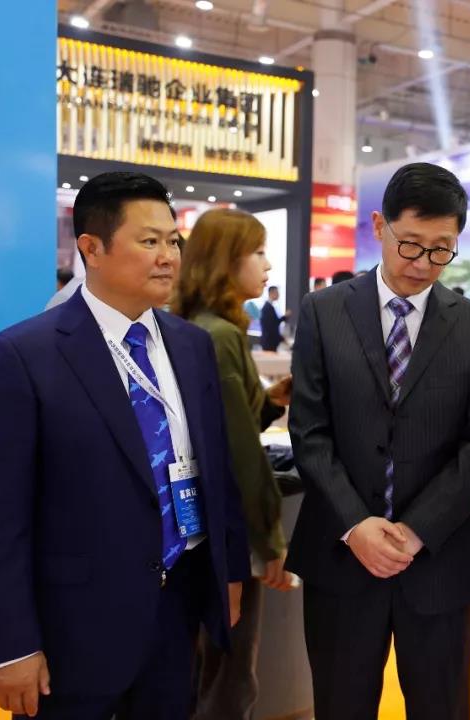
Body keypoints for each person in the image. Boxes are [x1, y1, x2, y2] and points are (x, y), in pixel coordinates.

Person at [0, 172, 249, 719]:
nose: (167, 257)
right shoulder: (22, 356)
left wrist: (228, 574)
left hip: (177, 608)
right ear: (91, 248)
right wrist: (11, 645)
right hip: (72, 625)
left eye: (173, 241)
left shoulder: (191, 346)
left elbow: (216, 469)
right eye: (149, 241)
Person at [287, 162, 470, 720]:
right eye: (410, 244)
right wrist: (355, 525)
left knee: (441, 706)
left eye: (441, 250)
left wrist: (416, 531)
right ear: (378, 226)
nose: (423, 263)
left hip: (440, 562)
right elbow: (310, 432)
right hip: (341, 557)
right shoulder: (323, 311)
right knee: (340, 705)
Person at [171, 209, 296, 719]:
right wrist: (270, 541)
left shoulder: (194, 327)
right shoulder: (219, 336)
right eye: (258, 252)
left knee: (205, 669)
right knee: (230, 675)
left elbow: (225, 423)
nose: (268, 265)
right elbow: (239, 454)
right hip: (228, 534)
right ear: (226, 261)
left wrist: (269, 400)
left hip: (194, 527)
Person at [259, 285, 288, 352]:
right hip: (269, 342)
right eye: (277, 293)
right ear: (271, 293)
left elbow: (274, 323)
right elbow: (271, 326)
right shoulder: (267, 308)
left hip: (270, 341)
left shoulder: (269, 307)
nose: (278, 295)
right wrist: (281, 338)